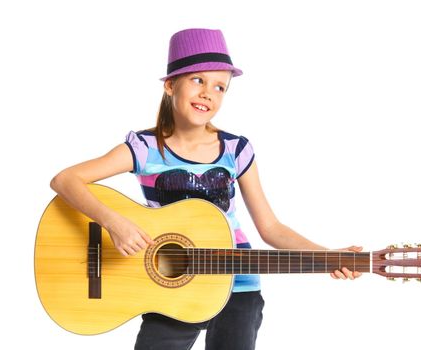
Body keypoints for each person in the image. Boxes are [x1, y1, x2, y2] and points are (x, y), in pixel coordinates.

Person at [50, 28, 362, 350]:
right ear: (171, 84)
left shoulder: (235, 150)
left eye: (220, 87)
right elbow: (65, 180)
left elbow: (271, 228)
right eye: (198, 80)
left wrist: (328, 255)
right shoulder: (144, 148)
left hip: (237, 286)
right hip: (169, 287)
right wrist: (114, 222)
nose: (208, 94)